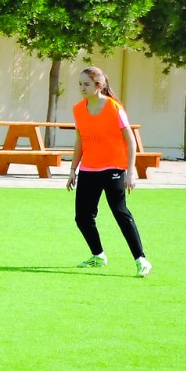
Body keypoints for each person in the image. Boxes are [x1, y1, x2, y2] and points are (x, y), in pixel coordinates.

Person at [66, 66, 152, 278]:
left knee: (120, 212)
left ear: (99, 85)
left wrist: (130, 172)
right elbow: (80, 140)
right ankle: (98, 255)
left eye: (86, 84)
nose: (82, 88)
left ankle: (141, 259)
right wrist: (72, 169)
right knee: (82, 217)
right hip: (89, 169)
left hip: (114, 168)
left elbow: (130, 142)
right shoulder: (78, 109)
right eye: (80, 84)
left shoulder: (114, 108)